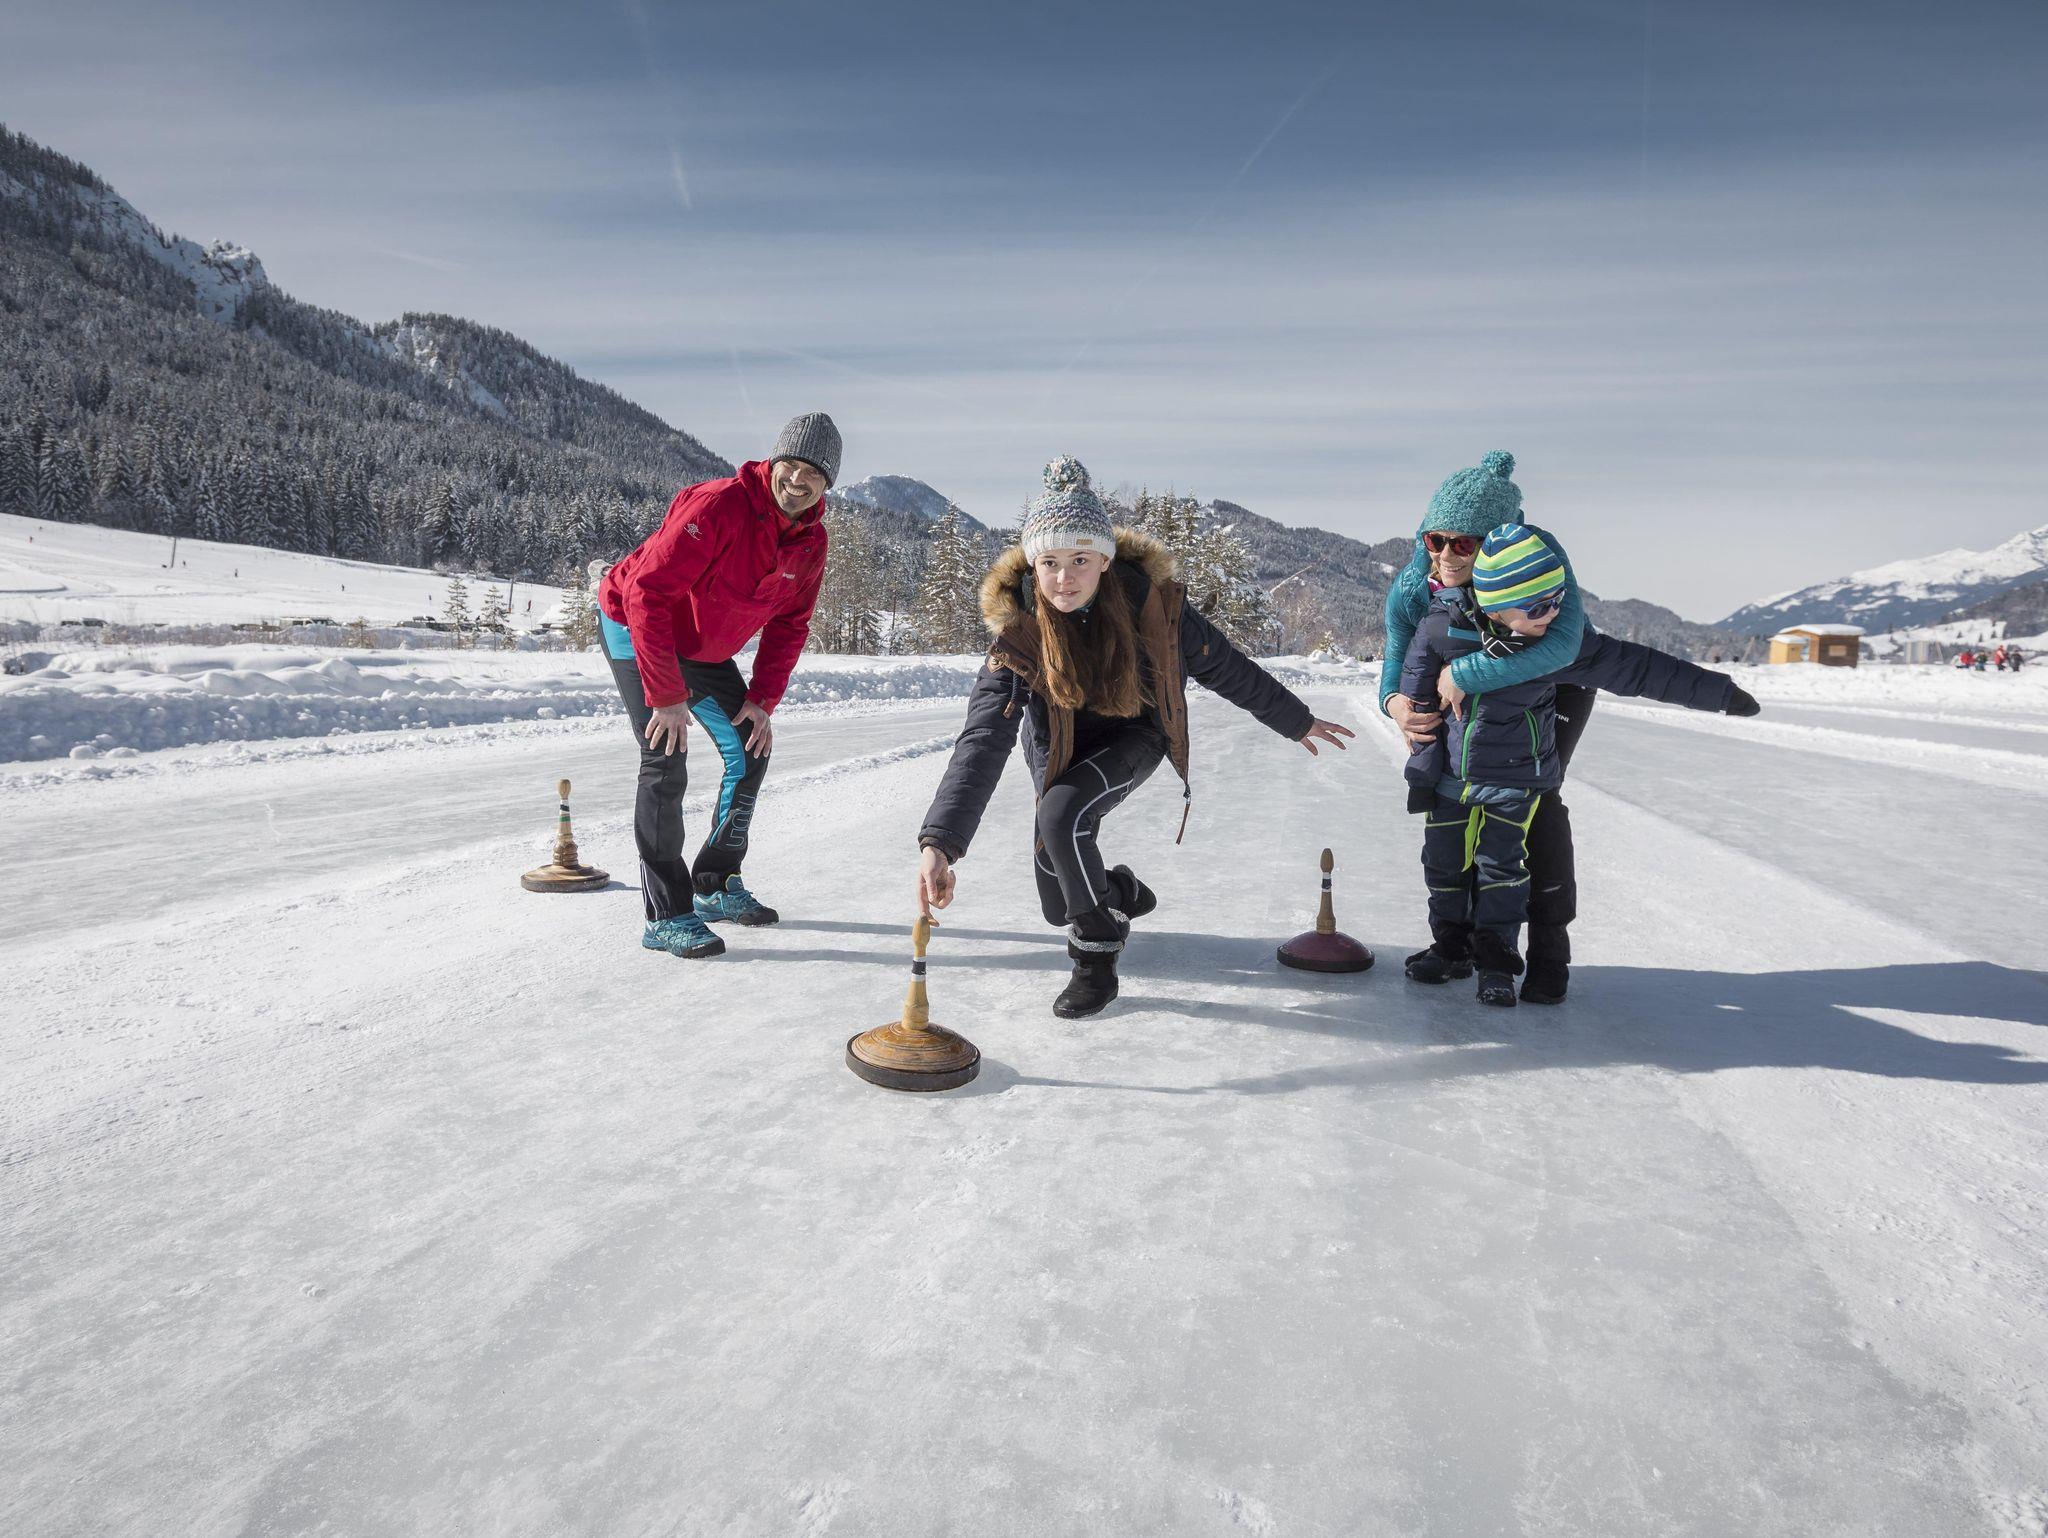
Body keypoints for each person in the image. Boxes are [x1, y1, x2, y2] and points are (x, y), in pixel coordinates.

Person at [915, 457, 1354, 1018]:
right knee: (1057, 902)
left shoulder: (1153, 607)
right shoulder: (1018, 635)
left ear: (1105, 560)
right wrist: (940, 844)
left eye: (1079, 560)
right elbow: (982, 739)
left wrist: (1296, 720)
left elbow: (1224, 666)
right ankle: (1119, 893)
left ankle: (1095, 958)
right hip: (1061, 751)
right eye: (1049, 563)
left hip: (1135, 735)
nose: (1064, 578)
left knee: (1060, 815)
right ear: (1032, 567)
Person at [1399, 524, 1758, 1005]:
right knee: (1444, 866)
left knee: (1502, 870)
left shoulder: (1555, 644)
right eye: (1538, 607)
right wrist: (1420, 759)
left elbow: (1636, 668)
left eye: (1557, 602)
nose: (1553, 615)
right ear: (1497, 604)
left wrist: (1721, 694)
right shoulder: (1440, 625)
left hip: (1516, 780)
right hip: (1451, 779)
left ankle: (1500, 961)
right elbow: (1414, 689)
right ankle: (1450, 947)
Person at [597, 413, 839, 959]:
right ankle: (666, 914)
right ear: (773, 462)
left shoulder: (811, 542)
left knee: (751, 748)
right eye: (790, 465)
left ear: (827, 485)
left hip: (701, 647)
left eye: (813, 473)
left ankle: (714, 883)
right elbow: (647, 593)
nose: (797, 480)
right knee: (665, 754)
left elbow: (791, 624)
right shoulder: (719, 505)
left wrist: (762, 699)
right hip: (634, 623)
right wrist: (666, 696)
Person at [1378, 450, 1595, 1003]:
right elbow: (1397, 655)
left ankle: (1547, 950)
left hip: (1555, 681)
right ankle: (1459, 942)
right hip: (1459, 680)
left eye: (1464, 544)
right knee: (1456, 813)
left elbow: (1562, 648)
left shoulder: (1538, 556)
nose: (1445, 553)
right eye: (1435, 539)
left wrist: (1464, 674)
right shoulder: (1417, 582)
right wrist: (1396, 703)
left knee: (1534, 802)